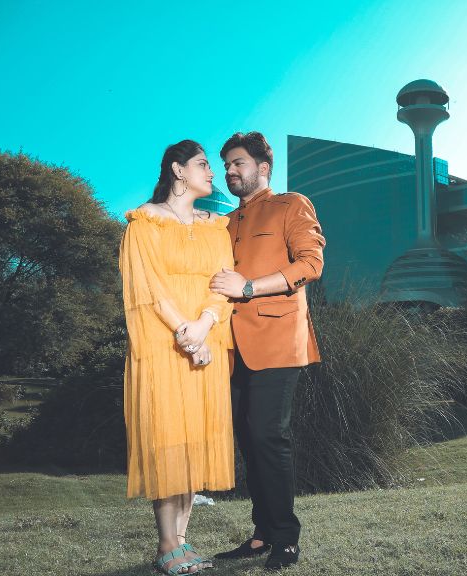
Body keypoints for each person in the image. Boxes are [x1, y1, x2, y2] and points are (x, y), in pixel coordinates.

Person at [208, 131, 325, 571]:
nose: (231, 171)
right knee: (249, 442)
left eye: (238, 163)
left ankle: (286, 540)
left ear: (263, 168)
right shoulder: (226, 223)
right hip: (233, 348)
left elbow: (311, 264)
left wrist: (251, 287)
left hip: (279, 341)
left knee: (268, 437)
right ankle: (261, 536)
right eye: (226, 166)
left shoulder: (291, 204)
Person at [119, 139, 235, 575]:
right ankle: (166, 545)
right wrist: (187, 334)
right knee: (168, 440)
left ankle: (182, 541)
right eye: (204, 164)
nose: (213, 172)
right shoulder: (144, 224)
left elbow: (223, 283)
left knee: (193, 445)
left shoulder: (215, 227)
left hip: (207, 342)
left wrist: (204, 325)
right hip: (163, 345)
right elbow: (147, 289)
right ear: (177, 170)